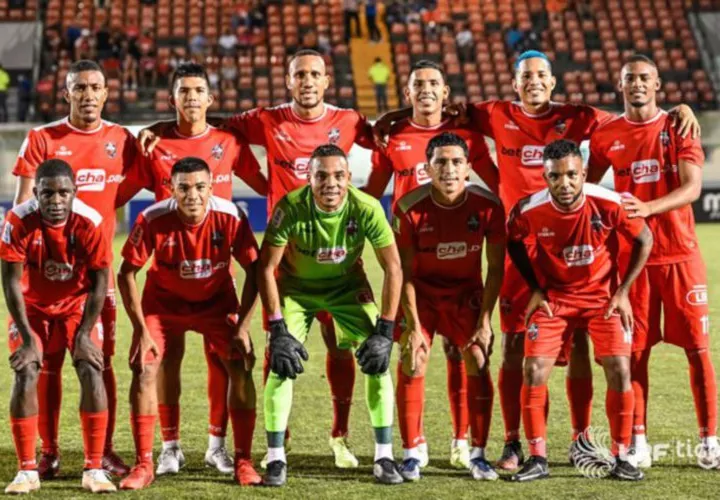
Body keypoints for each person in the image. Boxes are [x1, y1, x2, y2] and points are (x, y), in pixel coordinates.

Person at [374, 49, 700, 470]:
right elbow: (437, 104)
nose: (533, 82)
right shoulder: (494, 113)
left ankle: (581, 438)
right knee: (511, 348)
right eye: (525, 76)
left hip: (566, 247)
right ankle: (512, 443)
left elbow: (633, 113)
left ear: (552, 82)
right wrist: (392, 116)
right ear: (514, 83)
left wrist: (679, 108)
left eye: (540, 76)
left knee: (581, 340)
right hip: (518, 245)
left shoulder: (577, 116)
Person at [139, 49, 377, 470]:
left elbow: (392, 142)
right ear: (288, 81)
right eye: (299, 74)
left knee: (339, 350)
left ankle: (339, 435)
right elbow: (206, 125)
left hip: (339, 260)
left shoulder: (350, 120)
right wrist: (156, 129)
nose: (307, 81)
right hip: (284, 260)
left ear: (326, 81)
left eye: (314, 74)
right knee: (272, 348)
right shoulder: (265, 120)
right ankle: (275, 441)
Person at [115, 62, 266, 477]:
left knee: (228, 361)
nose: (192, 98)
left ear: (210, 98)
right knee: (164, 359)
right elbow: (120, 191)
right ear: (173, 98)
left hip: (215, 270)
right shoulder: (154, 145)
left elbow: (269, 185)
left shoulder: (229, 141)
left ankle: (222, 448)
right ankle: (167, 449)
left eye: (199, 91)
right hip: (167, 272)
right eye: (184, 92)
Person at [588, 54, 720, 468]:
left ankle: (709, 439)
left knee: (698, 351)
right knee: (635, 353)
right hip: (634, 262)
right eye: (630, 79)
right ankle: (638, 440)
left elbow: (693, 188)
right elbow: (590, 187)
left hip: (681, 255)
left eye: (645, 78)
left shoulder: (678, 125)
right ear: (620, 86)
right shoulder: (607, 133)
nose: (638, 84)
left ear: (658, 84)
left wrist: (647, 207)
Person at [365, 59, 497, 470]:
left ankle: (462, 441)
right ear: (407, 94)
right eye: (417, 84)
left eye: (434, 83)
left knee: (463, 355)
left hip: (461, 256)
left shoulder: (467, 138)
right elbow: (371, 192)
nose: (425, 90)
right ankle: (414, 449)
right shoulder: (393, 134)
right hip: (414, 255)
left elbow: (497, 181)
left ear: (445, 91)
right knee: (413, 351)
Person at [12, 59, 136, 478]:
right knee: (43, 365)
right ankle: (48, 451)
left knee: (98, 361)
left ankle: (103, 450)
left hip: (95, 274)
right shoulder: (42, 137)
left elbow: (138, 184)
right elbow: (22, 204)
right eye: (79, 87)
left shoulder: (122, 138)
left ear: (106, 92)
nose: (87, 94)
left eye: (95, 87)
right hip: (44, 275)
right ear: (66, 93)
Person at [507, 139, 653, 482]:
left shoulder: (609, 202)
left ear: (584, 173)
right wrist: (536, 288)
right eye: (555, 176)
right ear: (545, 177)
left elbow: (644, 238)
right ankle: (538, 457)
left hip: (602, 298)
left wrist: (623, 291)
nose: (564, 183)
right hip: (555, 299)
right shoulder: (528, 209)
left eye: (572, 174)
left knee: (619, 366)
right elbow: (513, 241)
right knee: (534, 369)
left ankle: (621, 456)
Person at [258, 144, 403, 486]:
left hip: (347, 286)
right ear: (308, 179)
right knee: (280, 363)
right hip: (295, 288)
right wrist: (277, 328)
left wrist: (385, 329)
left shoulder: (365, 207)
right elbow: (266, 268)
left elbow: (393, 266)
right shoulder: (290, 207)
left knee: (377, 359)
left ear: (349, 178)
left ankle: (384, 455)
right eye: (321, 176)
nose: (331, 184)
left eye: (338, 176)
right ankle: (276, 457)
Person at [393, 132, 505, 481]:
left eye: (457, 162)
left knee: (477, 355)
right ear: (427, 168)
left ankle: (478, 453)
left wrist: (485, 320)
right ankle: (413, 452)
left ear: (468, 168)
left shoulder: (489, 207)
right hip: (421, 295)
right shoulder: (407, 207)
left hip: (464, 294)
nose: (449, 169)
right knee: (414, 356)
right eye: (440, 162)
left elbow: (496, 267)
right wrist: (412, 326)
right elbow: (404, 272)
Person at [2, 160, 116, 494]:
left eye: (63, 192)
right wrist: (26, 338)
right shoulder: (18, 221)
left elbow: (99, 283)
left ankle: (94, 469)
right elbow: (10, 283)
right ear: (35, 192)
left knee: (91, 367)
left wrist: (83, 333)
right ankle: (27, 471)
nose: (55, 200)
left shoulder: (90, 222)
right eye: (47, 192)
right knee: (26, 370)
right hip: (32, 307)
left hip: (75, 307)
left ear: (74, 193)